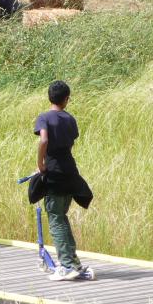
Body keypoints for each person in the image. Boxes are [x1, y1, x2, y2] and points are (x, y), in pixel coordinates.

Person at [33, 80, 94, 281]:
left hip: (54, 174)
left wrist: (41, 163)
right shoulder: (70, 119)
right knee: (61, 216)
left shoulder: (44, 118)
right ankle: (73, 262)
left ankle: (67, 265)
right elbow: (69, 143)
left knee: (55, 219)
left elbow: (44, 140)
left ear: (49, 97)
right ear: (66, 99)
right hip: (70, 172)